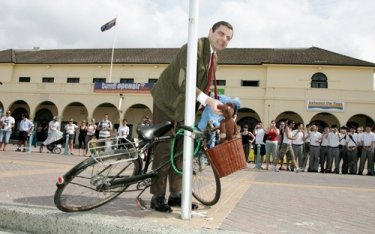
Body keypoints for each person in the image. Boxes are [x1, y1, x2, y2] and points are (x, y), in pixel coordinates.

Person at [149, 21, 233, 213]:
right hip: (168, 101)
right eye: (221, 34)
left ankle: (176, 194)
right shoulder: (193, 48)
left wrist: (212, 104)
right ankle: (157, 196)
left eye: (228, 38)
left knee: (182, 148)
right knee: (164, 148)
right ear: (210, 32)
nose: (224, 39)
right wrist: (208, 100)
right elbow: (183, 81)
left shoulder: (214, 57)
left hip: (186, 107)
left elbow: (204, 85)